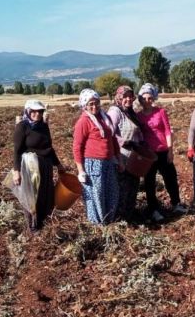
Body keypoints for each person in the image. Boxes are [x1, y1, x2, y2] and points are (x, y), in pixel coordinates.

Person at [136, 83, 186, 222]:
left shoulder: (160, 112)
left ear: (154, 98)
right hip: (148, 155)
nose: (147, 101)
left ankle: (176, 204)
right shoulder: (138, 116)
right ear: (140, 99)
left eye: (150, 98)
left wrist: (170, 151)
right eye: (144, 98)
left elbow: (167, 131)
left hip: (163, 151)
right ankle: (153, 209)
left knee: (170, 178)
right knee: (149, 182)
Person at [12, 99, 64, 231]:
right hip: (30, 167)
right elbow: (17, 151)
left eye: (40, 111)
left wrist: (58, 164)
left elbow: (49, 148)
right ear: (27, 111)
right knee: (31, 196)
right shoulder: (22, 127)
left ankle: (43, 222)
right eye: (33, 111)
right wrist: (16, 171)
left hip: (45, 165)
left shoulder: (43, 126)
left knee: (45, 195)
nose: (37, 114)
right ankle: (33, 226)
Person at [73, 89, 122, 224]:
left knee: (111, 192)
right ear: (85, 106)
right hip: (93, 164)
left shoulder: (104, 118)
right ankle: (98, 224)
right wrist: (81, 170)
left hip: (108, 162)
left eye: (97, 103)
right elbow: (77, 147)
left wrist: (118, 159)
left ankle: (109, 220)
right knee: (97, 195)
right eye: (91, 104)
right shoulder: (83, 121)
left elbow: (113, 140)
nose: (94, 107)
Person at [107, 85, 144, 221]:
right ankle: (119, 218)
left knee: (133, 186)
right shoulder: (115, 112)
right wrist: (124, 141)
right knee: (121, 187)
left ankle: (130, 215)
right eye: (125, 96)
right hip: (120, 156)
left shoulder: (131, 112)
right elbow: (110, 134)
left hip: (133, 156)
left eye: (130, 96)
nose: (128, 99)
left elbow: (138, 132)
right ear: (119, 97)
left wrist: (141, 144)